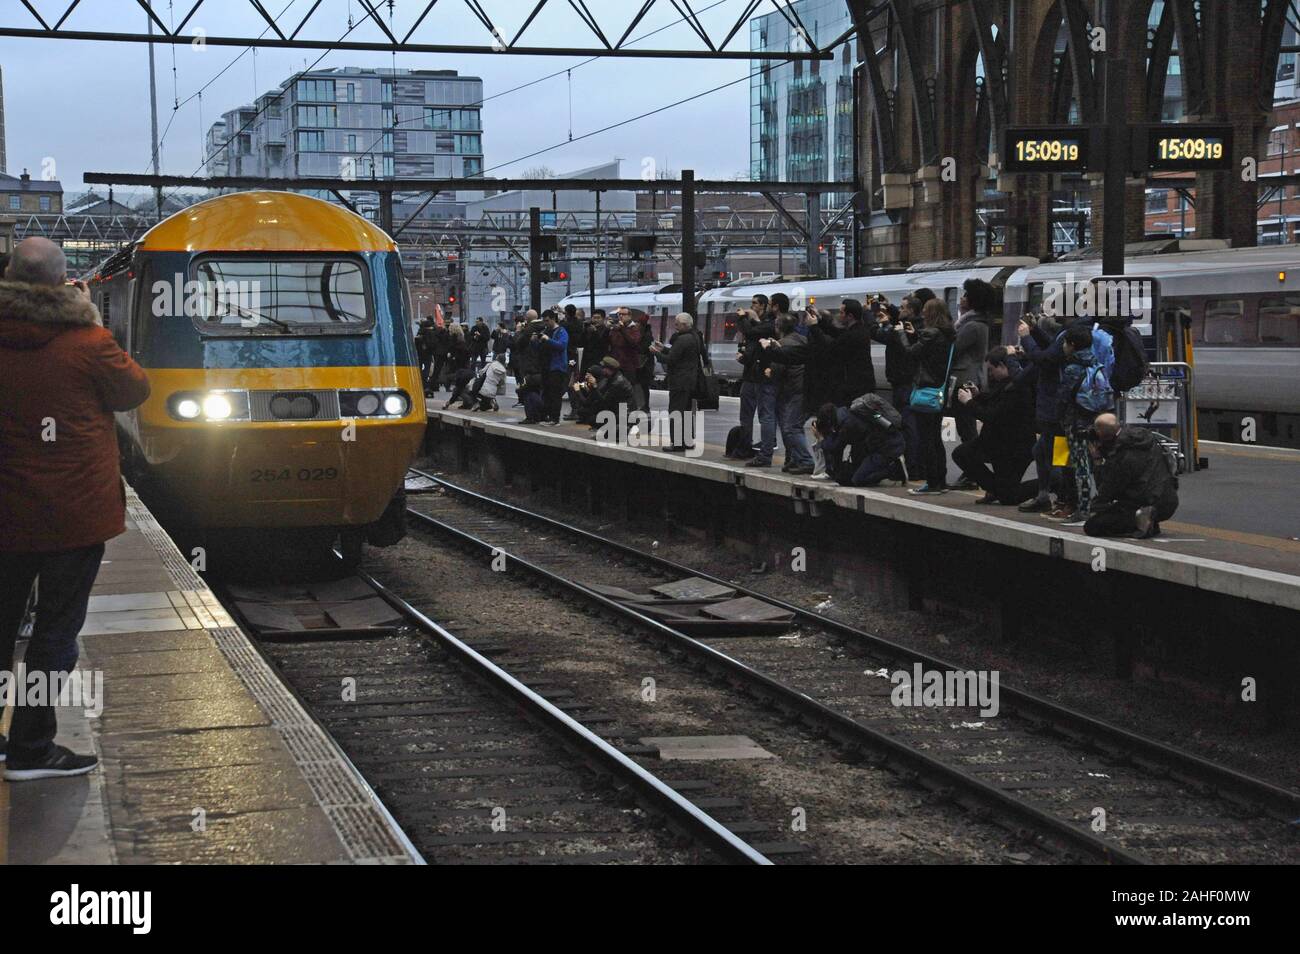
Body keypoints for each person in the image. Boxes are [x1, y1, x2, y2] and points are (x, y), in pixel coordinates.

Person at [0, 237, 151, 780]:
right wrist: (87, 317)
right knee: (54, 634)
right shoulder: (88, 341)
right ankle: (31, 749)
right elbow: (134, 390)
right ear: (64, 281)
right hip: (71, 515)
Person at [950, 347, 1039, 505]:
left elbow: (993, 415)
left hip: (1015, 448)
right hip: (997, 443)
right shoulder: (1005, 383)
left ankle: (1050, 483)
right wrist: (978, 395)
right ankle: (995, 489)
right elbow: (995, 400)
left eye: (992, 369)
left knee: (1009, 497)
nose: (990, 374)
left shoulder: (1018, 387)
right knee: (962, 454)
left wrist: (969, 402)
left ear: (1003, 366)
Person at [1083, 413, 1179, 538]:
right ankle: (1147, 520)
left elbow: (1106, 491)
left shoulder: (1121, 456)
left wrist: (1097, 460)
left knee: (1092, 526)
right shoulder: (1145, 439)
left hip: (1143, 501)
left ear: (1101, 435)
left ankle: (1138, 521)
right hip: (1168, 500)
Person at [1057, 324, 1115, 525]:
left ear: (1072, 345)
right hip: (1096, 421)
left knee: (1079, 465)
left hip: (1076, 423)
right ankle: (1103, 504)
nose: (1063, 346)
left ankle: (1083, 509)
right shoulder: (1096, 363)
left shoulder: (1072, 368)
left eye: (1065, 343)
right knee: (1097, 463)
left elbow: (1064, 398)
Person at [900, 298, 957, 495]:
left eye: (925, 311)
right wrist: (916, 336)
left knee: (926, 439)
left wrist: (903, 335)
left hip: (925, 390)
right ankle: (940, 481)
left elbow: (910, 353)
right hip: (939, 391)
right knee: (936, 438)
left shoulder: (929, 333)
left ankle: (931, 483)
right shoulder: (947, 334)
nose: (922, 313)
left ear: (931, 314)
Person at [950, 278, 996, 487]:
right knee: (966, 426)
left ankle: (972, 471)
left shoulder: (972, 326)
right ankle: (971, 471)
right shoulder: (978, 323)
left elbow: (954, 349)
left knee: (966, 428)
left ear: (973, 300)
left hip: (966, 380)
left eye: (966, 295)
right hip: (971, 378)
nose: (962, 299)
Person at [872, 296, 921, 480]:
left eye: (902, 307)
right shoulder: (913, 324)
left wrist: (874, 319)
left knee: (908, 426)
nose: (898, 310)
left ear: (911, 311)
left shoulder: (904, 329)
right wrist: (889, 306)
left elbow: (880, 335)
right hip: (903, 381)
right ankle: (913, 466)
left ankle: (913, 467)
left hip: (904, 381)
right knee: (908, 425)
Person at [759, 314, 814, 474]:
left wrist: (769, 370)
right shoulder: (803, 339)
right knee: (794, 426)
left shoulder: (782, 344)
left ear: (778, 327)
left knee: (790, 427)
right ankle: (794, 459)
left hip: (794, 389)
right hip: (806, 387)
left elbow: (777, 369)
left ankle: (805, 460)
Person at [812, 396, 907, 487]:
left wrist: (821, 438)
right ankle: (877, 472)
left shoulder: (848, 424)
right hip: (876, 446)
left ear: (829, 421)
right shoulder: (845, 415)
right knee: (846, 477)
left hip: (887, 448)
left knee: (858, 479)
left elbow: (836, 447)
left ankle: (894, 470)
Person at [807, 297, 875, 406]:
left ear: (850, 316)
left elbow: (829, 348)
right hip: (861, 382)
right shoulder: (859, 329)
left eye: (841, 312)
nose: (839, 314)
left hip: (855, 385)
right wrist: (820, 319)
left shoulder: (853, 335)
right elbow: (836, 332)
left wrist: (814, 327)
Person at [735, 296, 777, 466]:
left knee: (764, 415)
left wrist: (746, 318)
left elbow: (751, 333)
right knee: (748, 415)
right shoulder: (761, 324)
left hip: (760, 376)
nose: (751, 306)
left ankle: (764, 450)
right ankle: (747, 445)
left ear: (763, 305)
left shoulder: (769, 323)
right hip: (751, 375)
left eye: (754, 303)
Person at [652, 312, 701, 452]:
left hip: (679, 381)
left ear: (685, 325)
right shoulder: (694, 337)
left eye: (677, 325)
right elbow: (679, 354)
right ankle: (688, 442)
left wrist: (655, 352)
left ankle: (678, 443)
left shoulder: (682, 339)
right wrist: (664, 348)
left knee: (676, 411)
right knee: (686, 412)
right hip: (690, 380)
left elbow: (670, 360)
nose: (675, 327)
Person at [606, 307, 643, 410]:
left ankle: (631, 412)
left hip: (629, 365)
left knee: (628, 390)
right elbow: (610, 343)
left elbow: (633, 343)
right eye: (619, 314)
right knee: (615, 390)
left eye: (623, 314)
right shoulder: (616, 329)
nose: (621, 316)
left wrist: (622, 329)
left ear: (630, 316)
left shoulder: (634, 328)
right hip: (616, 364)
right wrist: (608, 329)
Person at [538, 310, 569, 425]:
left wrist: (548, 340)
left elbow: (562, 346)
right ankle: (548, 416)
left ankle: (555, 419)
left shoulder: (561, 331)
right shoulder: (546, 331)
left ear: (552, 319)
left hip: (557, 367)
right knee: (547, 393)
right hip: (546, 366)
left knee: (555, 394)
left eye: (547, 320)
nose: (545, 323)